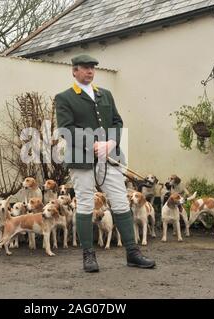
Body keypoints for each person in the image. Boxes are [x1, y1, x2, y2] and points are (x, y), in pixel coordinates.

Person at [55, 54, 156, 272]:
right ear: (74, 71)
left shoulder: (106, 95)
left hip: (110, 156)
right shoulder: (64, 97)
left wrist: (110, 142)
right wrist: (93, 144)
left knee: (120, 201)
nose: (89, 71)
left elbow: (117, 121)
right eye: (84, 68)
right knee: (84, 204)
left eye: (92, 68)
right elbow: (66, 128)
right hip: (81, 158)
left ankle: (133, 253)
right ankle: (88, 256)